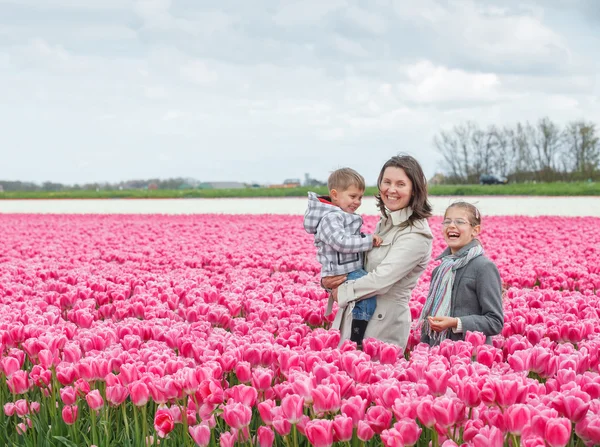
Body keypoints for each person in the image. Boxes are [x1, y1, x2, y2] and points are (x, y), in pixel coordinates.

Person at [323, 155, 434, 349]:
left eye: (400, 184)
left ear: (414, 190)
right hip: (355, 319)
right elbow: (357, 265)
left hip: (381, 328)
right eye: (387, 182)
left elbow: (381, 280)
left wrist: (342, 291)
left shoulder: (416, 234)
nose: (391, 190)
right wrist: (328, 280)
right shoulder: (385, 224)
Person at [304, 168, 383, 346]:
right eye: (353, 196)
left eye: (360, 197)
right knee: (367, 292)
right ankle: (357, 336)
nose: (357, 202)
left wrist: (363, 238)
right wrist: (367, 241)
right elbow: (340, 242)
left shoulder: (341, 215)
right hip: (343, 271)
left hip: (348, 268)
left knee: (366, 291)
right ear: (335, 194)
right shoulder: (330, 218)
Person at [419, 201, 503, 346]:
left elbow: (495, 321)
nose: (451, 226)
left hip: (472, 357)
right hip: (437, 357)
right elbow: (429, 319)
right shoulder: (439, 271)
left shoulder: (484, 267)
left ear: (475, 230)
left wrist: (456, 323)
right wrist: (424, 348)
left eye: (460, 222)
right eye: (447, 222)